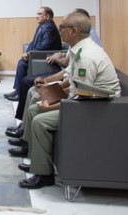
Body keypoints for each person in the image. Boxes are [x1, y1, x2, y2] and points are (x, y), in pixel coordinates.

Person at [15, 13, 120, 189]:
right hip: (87, 101)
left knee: (40, 120)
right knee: (34, 108)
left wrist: (50, 106)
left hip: (98, 109)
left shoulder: (87, 56)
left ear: (74, 31)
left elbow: (81, 96)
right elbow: (74, 85)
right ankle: (37, 162)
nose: (60, 31)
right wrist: (48, 91)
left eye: (63, 28)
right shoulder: (79, 49)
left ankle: (44, 175)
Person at [3, 6, 62, 102]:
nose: (37, 16)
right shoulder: (41, 26)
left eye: (40, 14)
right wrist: (27, 53)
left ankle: (20, 93)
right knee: (22, 62)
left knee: (22, 64)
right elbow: (33, 42)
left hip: (46, 58)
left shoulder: (50, 28)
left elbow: (45, 46)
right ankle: (18, 91)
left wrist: (30, 54)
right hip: (38, 55)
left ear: (47, 16)